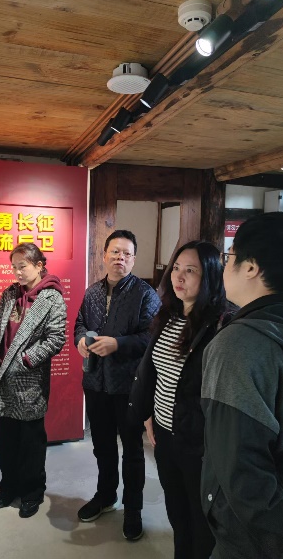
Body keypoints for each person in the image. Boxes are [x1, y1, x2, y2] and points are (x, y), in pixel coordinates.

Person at [201, 211, 283, 559]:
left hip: (259, 541)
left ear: (251, 267)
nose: (225, 265)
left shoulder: (239, 344)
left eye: (229, 256)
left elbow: (243, 473)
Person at [129, 240, 231, 559]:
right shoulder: (169, 316)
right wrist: (149, 414)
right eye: (176, 268)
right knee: (176, 513)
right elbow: (155, 372)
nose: (179, 277)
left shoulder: (220, 326)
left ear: (210, 276)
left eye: (191, 270)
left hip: (197, 443)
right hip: (164, 435)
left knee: (201, 521)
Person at [74, 230, 160, 541]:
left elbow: (152, 337)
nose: (119, 258)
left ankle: (133, 508)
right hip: (95, 382)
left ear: (133, 260)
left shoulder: (146, 294)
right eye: (115, 252)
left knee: (133, 450)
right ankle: (105, 495)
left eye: (126, 253)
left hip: (129, 386)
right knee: (102, 446)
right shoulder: (92, 293)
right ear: (104, 255)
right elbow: (80, 324)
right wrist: (80, 340)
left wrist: (119, 344)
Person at [0, 243, 66, 519]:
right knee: (4, 439)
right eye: (14, 267)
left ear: (39, 265)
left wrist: (26, 361)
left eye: (23, 267)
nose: (18, 272)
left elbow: (56, 339)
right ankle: (9, 487)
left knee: (30, 442)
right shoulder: (10, 294)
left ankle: (32, 492)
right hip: (2, 379)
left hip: (28, 382)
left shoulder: (52, 298)